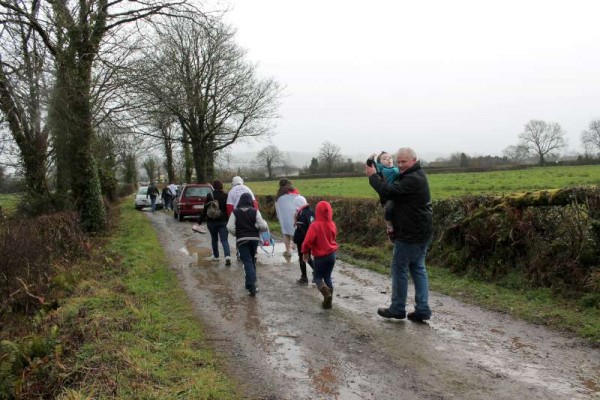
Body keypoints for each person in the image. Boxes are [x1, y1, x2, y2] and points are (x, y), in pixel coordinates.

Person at [365, 147, 433, 322]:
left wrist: (372, 177)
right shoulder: (413, 176)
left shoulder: (413, 179)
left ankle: (397, 308)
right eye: (399, 161)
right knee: (418, 268)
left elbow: (388, 192)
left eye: (404, 161)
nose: (401, 165)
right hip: (420, 231)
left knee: (399, 269)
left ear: (414, 160)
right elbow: (392, 192)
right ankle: (422, 310)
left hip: (409, 233)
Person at [227, 192, 268, 296]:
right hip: (254, 239)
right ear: (250, 201)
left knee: (247, 262)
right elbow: (263, 226)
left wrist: (238, 234)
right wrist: (257, 228)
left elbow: (229, 227)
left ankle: (251, 285)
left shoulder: (235, 212)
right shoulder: (255, 211)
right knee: (252, 260)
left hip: (242, 240)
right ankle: (250, 283)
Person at [301, 201, 338, 309]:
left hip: (320, 257)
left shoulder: (315, 225)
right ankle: (328, 302)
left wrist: (305, 253)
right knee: (327, 276)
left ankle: (326, 295)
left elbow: (307, 241)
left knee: (317, 278)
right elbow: (333, 237)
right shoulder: (332, 224)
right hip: (332, 255)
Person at [367, 151, 400, 237]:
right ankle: (389, 226)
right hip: (388, 195)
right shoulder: (381, 169)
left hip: (398, 193)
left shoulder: (397, 168)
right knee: (389, 208)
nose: (388, 160)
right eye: (384, 159)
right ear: (380, 163)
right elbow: (370, 165)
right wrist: (370, 159)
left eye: (389, 158)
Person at [198, 180, 231, 265]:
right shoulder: (226, 195)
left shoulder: (210, 195)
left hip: (211, 221)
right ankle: (227, 256)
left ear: (213, 186)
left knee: (214, 239)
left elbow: (205, 209)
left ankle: (216, 256)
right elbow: (228, 208)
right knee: (224, 240)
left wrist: (200, 220)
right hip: (223, 220)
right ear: (221, 186)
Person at [275, 178, 300, 257]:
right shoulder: (295, 190)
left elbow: (277, 205)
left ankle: (287, 251)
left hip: (285, 216)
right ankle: (297, 247)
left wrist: (279, 216)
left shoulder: (279, 193)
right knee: (295, 230)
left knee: (286, 233)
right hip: (295, 214)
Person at [293, 196, 314, 285]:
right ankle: (317, 273)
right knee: (308, 257)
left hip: (303, 239)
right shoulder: (312, 211)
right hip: (312, 238)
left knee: (303, 257)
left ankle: (304, 277)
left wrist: (295, 239)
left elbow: (301, 229)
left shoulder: (301, 214)